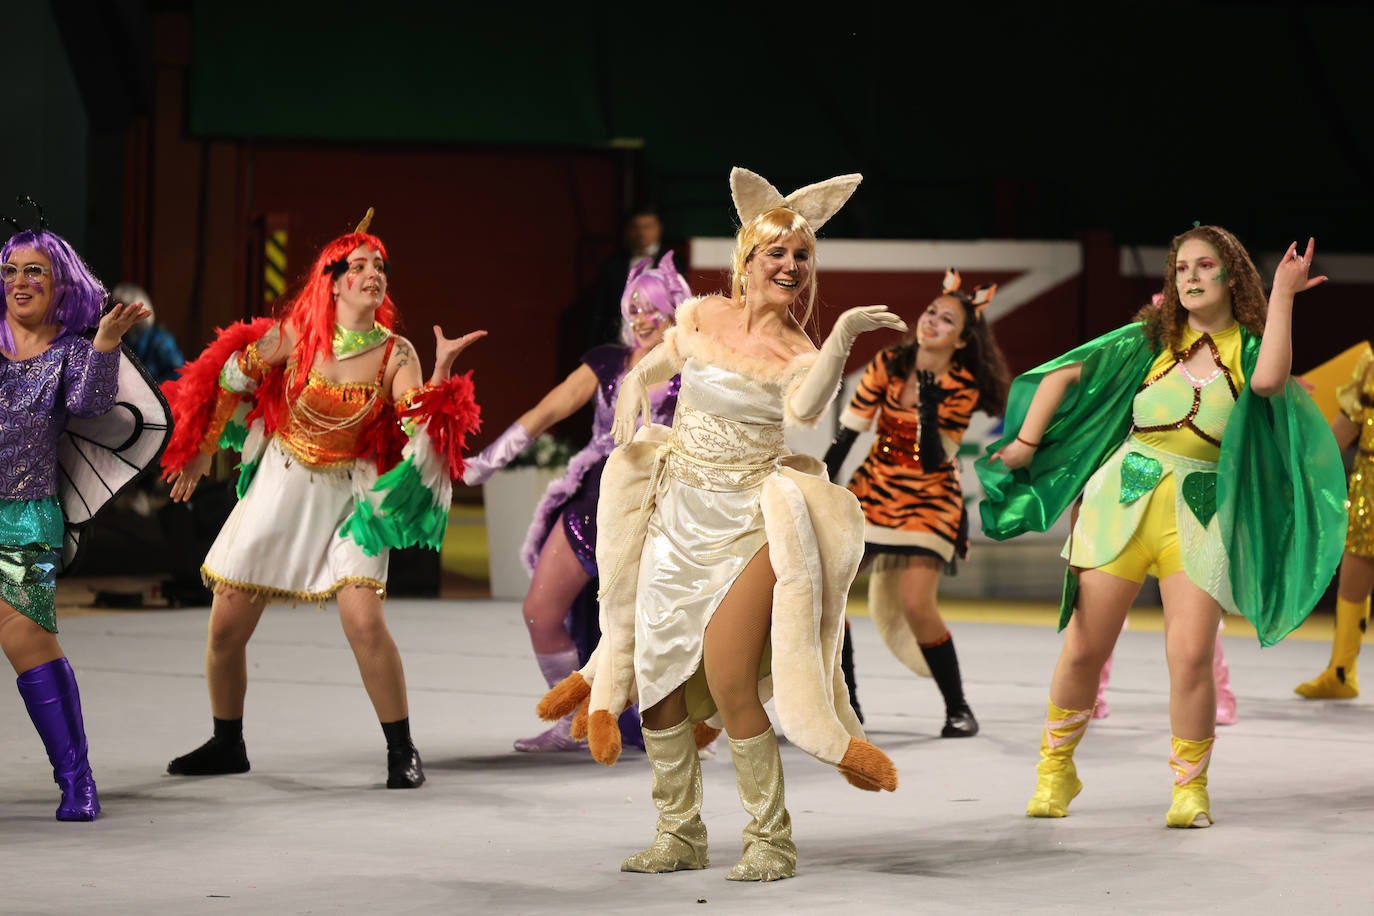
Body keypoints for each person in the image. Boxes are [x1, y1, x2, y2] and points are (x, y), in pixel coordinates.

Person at [539, 167, 903, 882]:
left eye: (802, 255)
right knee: (662, 681)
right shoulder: (705, 318)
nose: (790, 266)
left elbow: (803, 415)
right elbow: (657, 363)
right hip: (678, 516)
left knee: (733, 676)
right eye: (777, 253)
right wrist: (633, 407)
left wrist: (843, 340)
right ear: (748, 259)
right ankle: (679, 835)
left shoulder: (802, 355)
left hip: (752, 520)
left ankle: (771, 840)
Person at [976, 226, 1344, 829]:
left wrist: (1283, 297)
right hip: (1121, 502)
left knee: (1191, 656)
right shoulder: (1149, 340)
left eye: (1205, 266)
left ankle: (1190, 790)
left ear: (1232, 277)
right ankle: (1054, 771)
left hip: (1201, 513)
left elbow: (1272, 383)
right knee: (1084, 648)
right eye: (1181, 269)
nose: (1190, 277)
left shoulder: (1250, 346)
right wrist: (1023, 444)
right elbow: (1061, 375)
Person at [158, 211, 484, 789]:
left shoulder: (397, 354)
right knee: (225, 626)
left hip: (349, 499)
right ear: (332, 281)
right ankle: (227, 742)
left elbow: (414, 427)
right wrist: (204, 448)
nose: (372, 274)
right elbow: (231, 376)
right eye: (358, 265)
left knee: (363, 619)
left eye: (379, 266)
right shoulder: (296, 336)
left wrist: (439, 373)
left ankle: (401, 748)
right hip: (280, 485)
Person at [462, 251, 690, 752]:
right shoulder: (608, 361)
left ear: (676, 310)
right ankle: (568, 720)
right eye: (633, 307)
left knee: (660, 626)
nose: (642, 317)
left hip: (661, 509)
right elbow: (548, 410)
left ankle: (689, 722)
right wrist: (486, 462)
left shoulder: (697, 369)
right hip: (593, 500)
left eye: (652, 306)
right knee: (540, 611)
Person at [1, 223, 154, 820]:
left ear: (58, 281)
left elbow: (91, 407)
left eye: (34, 271)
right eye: (11, 271)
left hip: (26, 514)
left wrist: (106, 346)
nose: (20, 282)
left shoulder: (70, 351)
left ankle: (76, 780)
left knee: (26, 636)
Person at [823, 268, 1010, 738]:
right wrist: (820, 487)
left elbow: (932, 460)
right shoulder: (889, 362)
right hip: (876, 486)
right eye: (931, 312)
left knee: (916, 604)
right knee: (831, 594)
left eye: (946, 320)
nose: (932, 321)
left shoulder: (961, 385)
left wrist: (927, 406)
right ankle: (851, 707)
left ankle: (958, 707)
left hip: (930, 498)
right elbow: (848, 435)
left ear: (963, 339)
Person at [1294, 347, 1374, 700]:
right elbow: (1347, 423)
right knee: (1354, 575)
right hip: (1369, 481)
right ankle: (1341, 673)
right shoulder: (1370, 364)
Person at [586, 208, 674, 349]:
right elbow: (599, 311)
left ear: (659, 228)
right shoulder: (613, 265)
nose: (641, 233)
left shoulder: (673, 265)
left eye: (647, 227)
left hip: (659, 349)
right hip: (618, 347)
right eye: (636, 227)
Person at [111, 281, 185, 386]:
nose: (118, 315)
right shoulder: (119, 340)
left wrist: (151, 391)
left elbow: (178, 374)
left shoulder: (160, 340)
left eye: (123, 309)